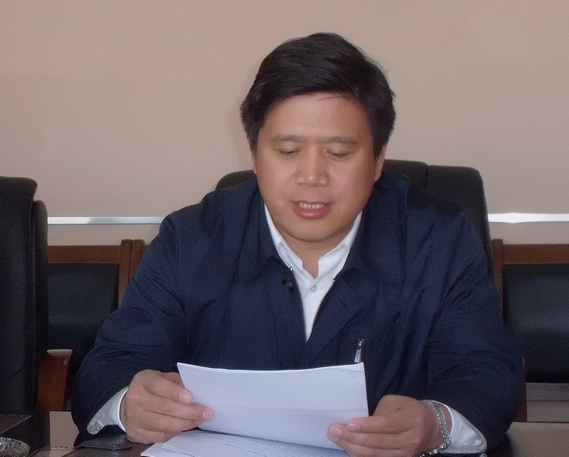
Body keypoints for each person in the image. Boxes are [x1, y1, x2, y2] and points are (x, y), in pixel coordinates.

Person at [71, 32, 522, 456]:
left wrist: (435, 423)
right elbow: (109, 366)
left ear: (378, 160)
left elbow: (486, 374)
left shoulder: (438, 238)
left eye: (339, 153)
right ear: (254, 154)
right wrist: (130, 402)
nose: (312, 177)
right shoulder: (192, 239)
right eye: (288, 151)